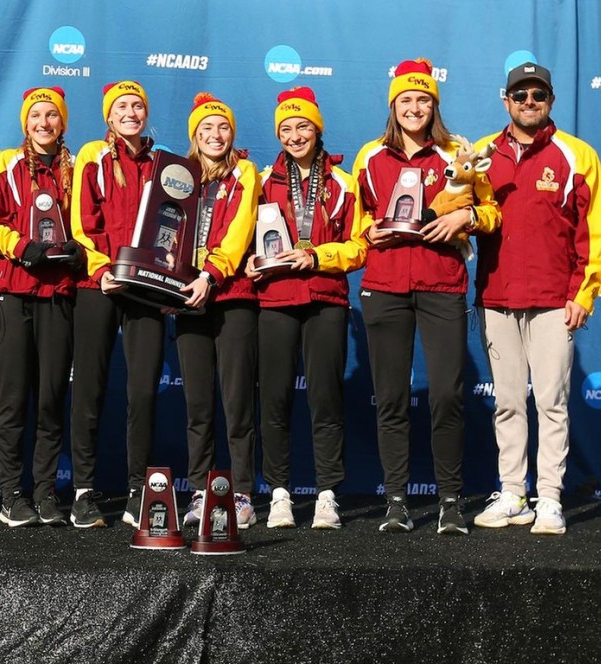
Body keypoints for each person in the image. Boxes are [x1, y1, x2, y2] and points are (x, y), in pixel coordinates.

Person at [351, 59, 499, 535]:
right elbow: (355, 227)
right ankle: (396, 499)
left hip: (442, 286)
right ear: (393, 106)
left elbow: (492, 208)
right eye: (405, 100)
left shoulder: (459, 151)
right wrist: (369, 233)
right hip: (385, 286)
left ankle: (450, 501)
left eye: (423, 99)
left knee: (447, 396)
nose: (414, 107)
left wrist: (468, 218)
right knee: (391, 396)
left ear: (434, 104)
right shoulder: (370, 155)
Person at [472, 62, 601, 535]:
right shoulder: (482, 154)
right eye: (520, 95)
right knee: (507, 402)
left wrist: (584, 294)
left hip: (553, 301)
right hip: (497, 297)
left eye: (538, 96)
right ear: (505, 100)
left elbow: (593, 234)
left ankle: (549, 498)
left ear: (550, 102)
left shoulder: (578, 155)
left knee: (552, 403)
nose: (529, 103)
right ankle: (512, 494)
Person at [244, 87, 364, 529]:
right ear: (278, 134)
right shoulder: (259, 181)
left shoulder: (342, 182)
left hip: (325, 300)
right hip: (274, 299)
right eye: (287, 128)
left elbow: (359, 246)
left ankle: (327, 493)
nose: (296, 135)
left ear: (318, 129)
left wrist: (317, 256)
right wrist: (249, 262)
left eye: (304, 126)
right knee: (273, 398)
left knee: (325, 399)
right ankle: (278, 493)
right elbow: (239, 237)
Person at [0, 87, 81, 527]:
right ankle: (11, 494)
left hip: (57, 294)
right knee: (14, 399)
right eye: (36, 115)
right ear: (25, 122)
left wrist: (81, 252)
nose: (44, 122)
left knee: (51, 399)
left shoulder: (76, 168)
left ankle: (44, 492)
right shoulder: (5, 163)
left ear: (62, 122)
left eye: (52, 115)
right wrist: (21, 247)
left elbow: (90, 223)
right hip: (12, 292)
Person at [70, 80, 165, 528]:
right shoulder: (93, 156)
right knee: (89, 387)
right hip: (99, 285)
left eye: (137, 105)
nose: (130, 112)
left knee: (143, 390)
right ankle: (84, 490)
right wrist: (99, 270)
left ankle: (138, 489)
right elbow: (80, 222)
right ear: (109, 117)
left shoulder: (164, 163)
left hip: (146, 288)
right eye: (122, 107)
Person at [173, 92, 260, 529]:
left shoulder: (244, 173)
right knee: (198, 405)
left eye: (222, 127)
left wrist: (210, 274)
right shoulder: (179, 176)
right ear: (194, 135)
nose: (215, 134)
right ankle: (199, 490)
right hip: (187, 297)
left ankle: (241, 493)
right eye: (206, 128)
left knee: (237, 401)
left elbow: (239, 231)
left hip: (232, 296)